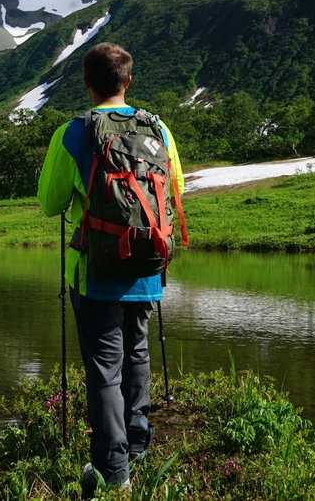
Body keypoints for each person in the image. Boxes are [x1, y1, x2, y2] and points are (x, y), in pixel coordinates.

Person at [37, 42, 185, 494]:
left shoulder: (74, 132)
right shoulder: (157, 127)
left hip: (94, 272)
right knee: (136, 351)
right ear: (128, 81)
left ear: (87, 84)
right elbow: (175, 186)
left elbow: (49, 203)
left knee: (105, 370)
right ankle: (137, 445)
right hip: (147, 266)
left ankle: (111, 470)